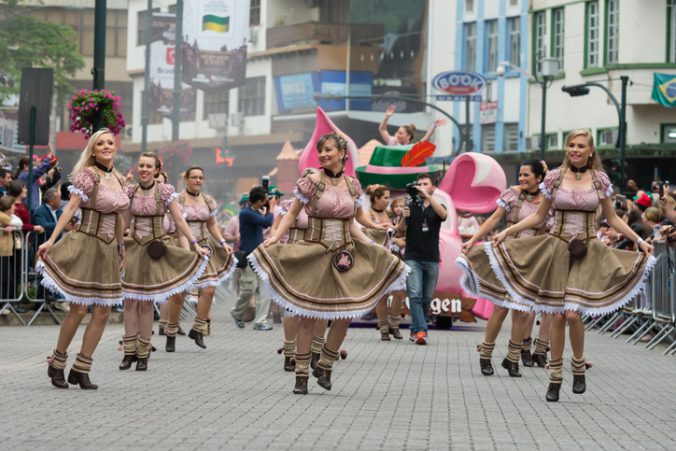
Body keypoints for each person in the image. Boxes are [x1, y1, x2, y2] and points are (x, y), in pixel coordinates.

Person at [460, 129, 655, 402]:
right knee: (558, 314)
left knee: (573, 314)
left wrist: (639, 240)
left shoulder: (599, 180)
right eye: (571, 145)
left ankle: (577, 365)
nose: (574, 150)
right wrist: (506, 231)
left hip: (586, 249)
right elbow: (540, 216)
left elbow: (612, 218)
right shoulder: (554, 178)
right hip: (557, 248)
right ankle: (555, 377)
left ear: (590, 151)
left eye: (580, 146)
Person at [250, 132, 409, 394]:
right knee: (308, 316)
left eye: (329, 151)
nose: (323, 155)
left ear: (342, 154)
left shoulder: (353, 185)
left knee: (344, 314)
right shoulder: (311, 182)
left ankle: (325, 363)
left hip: (344, 254)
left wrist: (371, 235)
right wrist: (275, 238)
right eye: (321, 151)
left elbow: (354, 223)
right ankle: (301, 375)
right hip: (314, 250)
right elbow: (291, 215)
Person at [38, 128, 130, 390]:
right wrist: (51, 239)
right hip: (87, 243)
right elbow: (70, 209)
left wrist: (121, 246)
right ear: (93, 149)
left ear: (115, 147)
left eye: (109, 143)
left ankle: (82, 368)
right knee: (78, 308)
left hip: (109, 248)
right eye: (99, 143)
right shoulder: (89, 176)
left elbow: (118, 215)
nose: (105, 147)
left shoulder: (121, 180)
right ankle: (57, 362)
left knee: (103, 311)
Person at [460, 160, 551, 376]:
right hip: (508, 255)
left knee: (522, 311)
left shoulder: (549, 201)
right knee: (500, 307)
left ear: (538, 178)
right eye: (520, 174)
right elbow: (494, 219)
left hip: (533, 259)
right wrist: (473, 238)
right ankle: (486, 355)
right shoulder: (512, 194)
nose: (521, 179)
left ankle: (512, 358)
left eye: (526, 175)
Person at [119, 153, 208, 371]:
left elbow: (178, 219)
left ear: (157, 170)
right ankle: (129, 351)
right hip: (134, 247)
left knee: (147, 301)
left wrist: (194, 244)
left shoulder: (166, 192)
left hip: (154, 249)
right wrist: (118, 245)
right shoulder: (130, 191)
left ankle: (143, 352)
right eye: (141, 165)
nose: (144, 169)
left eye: (149, 166)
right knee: (130, 301)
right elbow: (125, 222)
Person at [164, 167, 234, 351]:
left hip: (205, 246)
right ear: (186, 179)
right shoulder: (177, 200)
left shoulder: (208, 200)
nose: (197, 181)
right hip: (183, 245)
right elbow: (177, 225)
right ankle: (170, 331)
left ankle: (198, 328)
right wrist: (187, 251)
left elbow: (212, 224)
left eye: (200, 178)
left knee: (209, 289)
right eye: (194, 177)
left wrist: (222, 241)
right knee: (179, 294)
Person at [396, 173, 448, 345]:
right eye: (419, 184)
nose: (421, 186)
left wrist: (426, 196)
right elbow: (400, 231)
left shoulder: (437, 206)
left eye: (425, 183)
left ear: (433, 187)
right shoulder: (411, 205)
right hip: (412, 257)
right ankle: (421, 331)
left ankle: (414, 329)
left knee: (426, 298)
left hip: (432, 258)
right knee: (415, 295)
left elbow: (443, 215)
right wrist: (404, 216)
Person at [230, 186, 275, 330]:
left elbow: (266, 220)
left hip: (260, 255)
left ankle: (260, 321)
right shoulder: (246, 213)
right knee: (249, 288)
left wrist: (267, 210)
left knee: (264, 290)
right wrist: (272, 207)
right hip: (248, 255)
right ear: (259, 201)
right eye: (265, 200)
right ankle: (237, 312)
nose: (266, 202)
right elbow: (267, 222)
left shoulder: (256, 212)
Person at [379, 104, 445, 146]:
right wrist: (386, 117)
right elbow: (382, 129)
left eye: (400, 133)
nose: (397, 135)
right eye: (397, 132)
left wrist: (434, 126)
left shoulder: (411, 148)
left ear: (408, 137)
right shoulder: (393, 143)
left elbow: (425, 139)